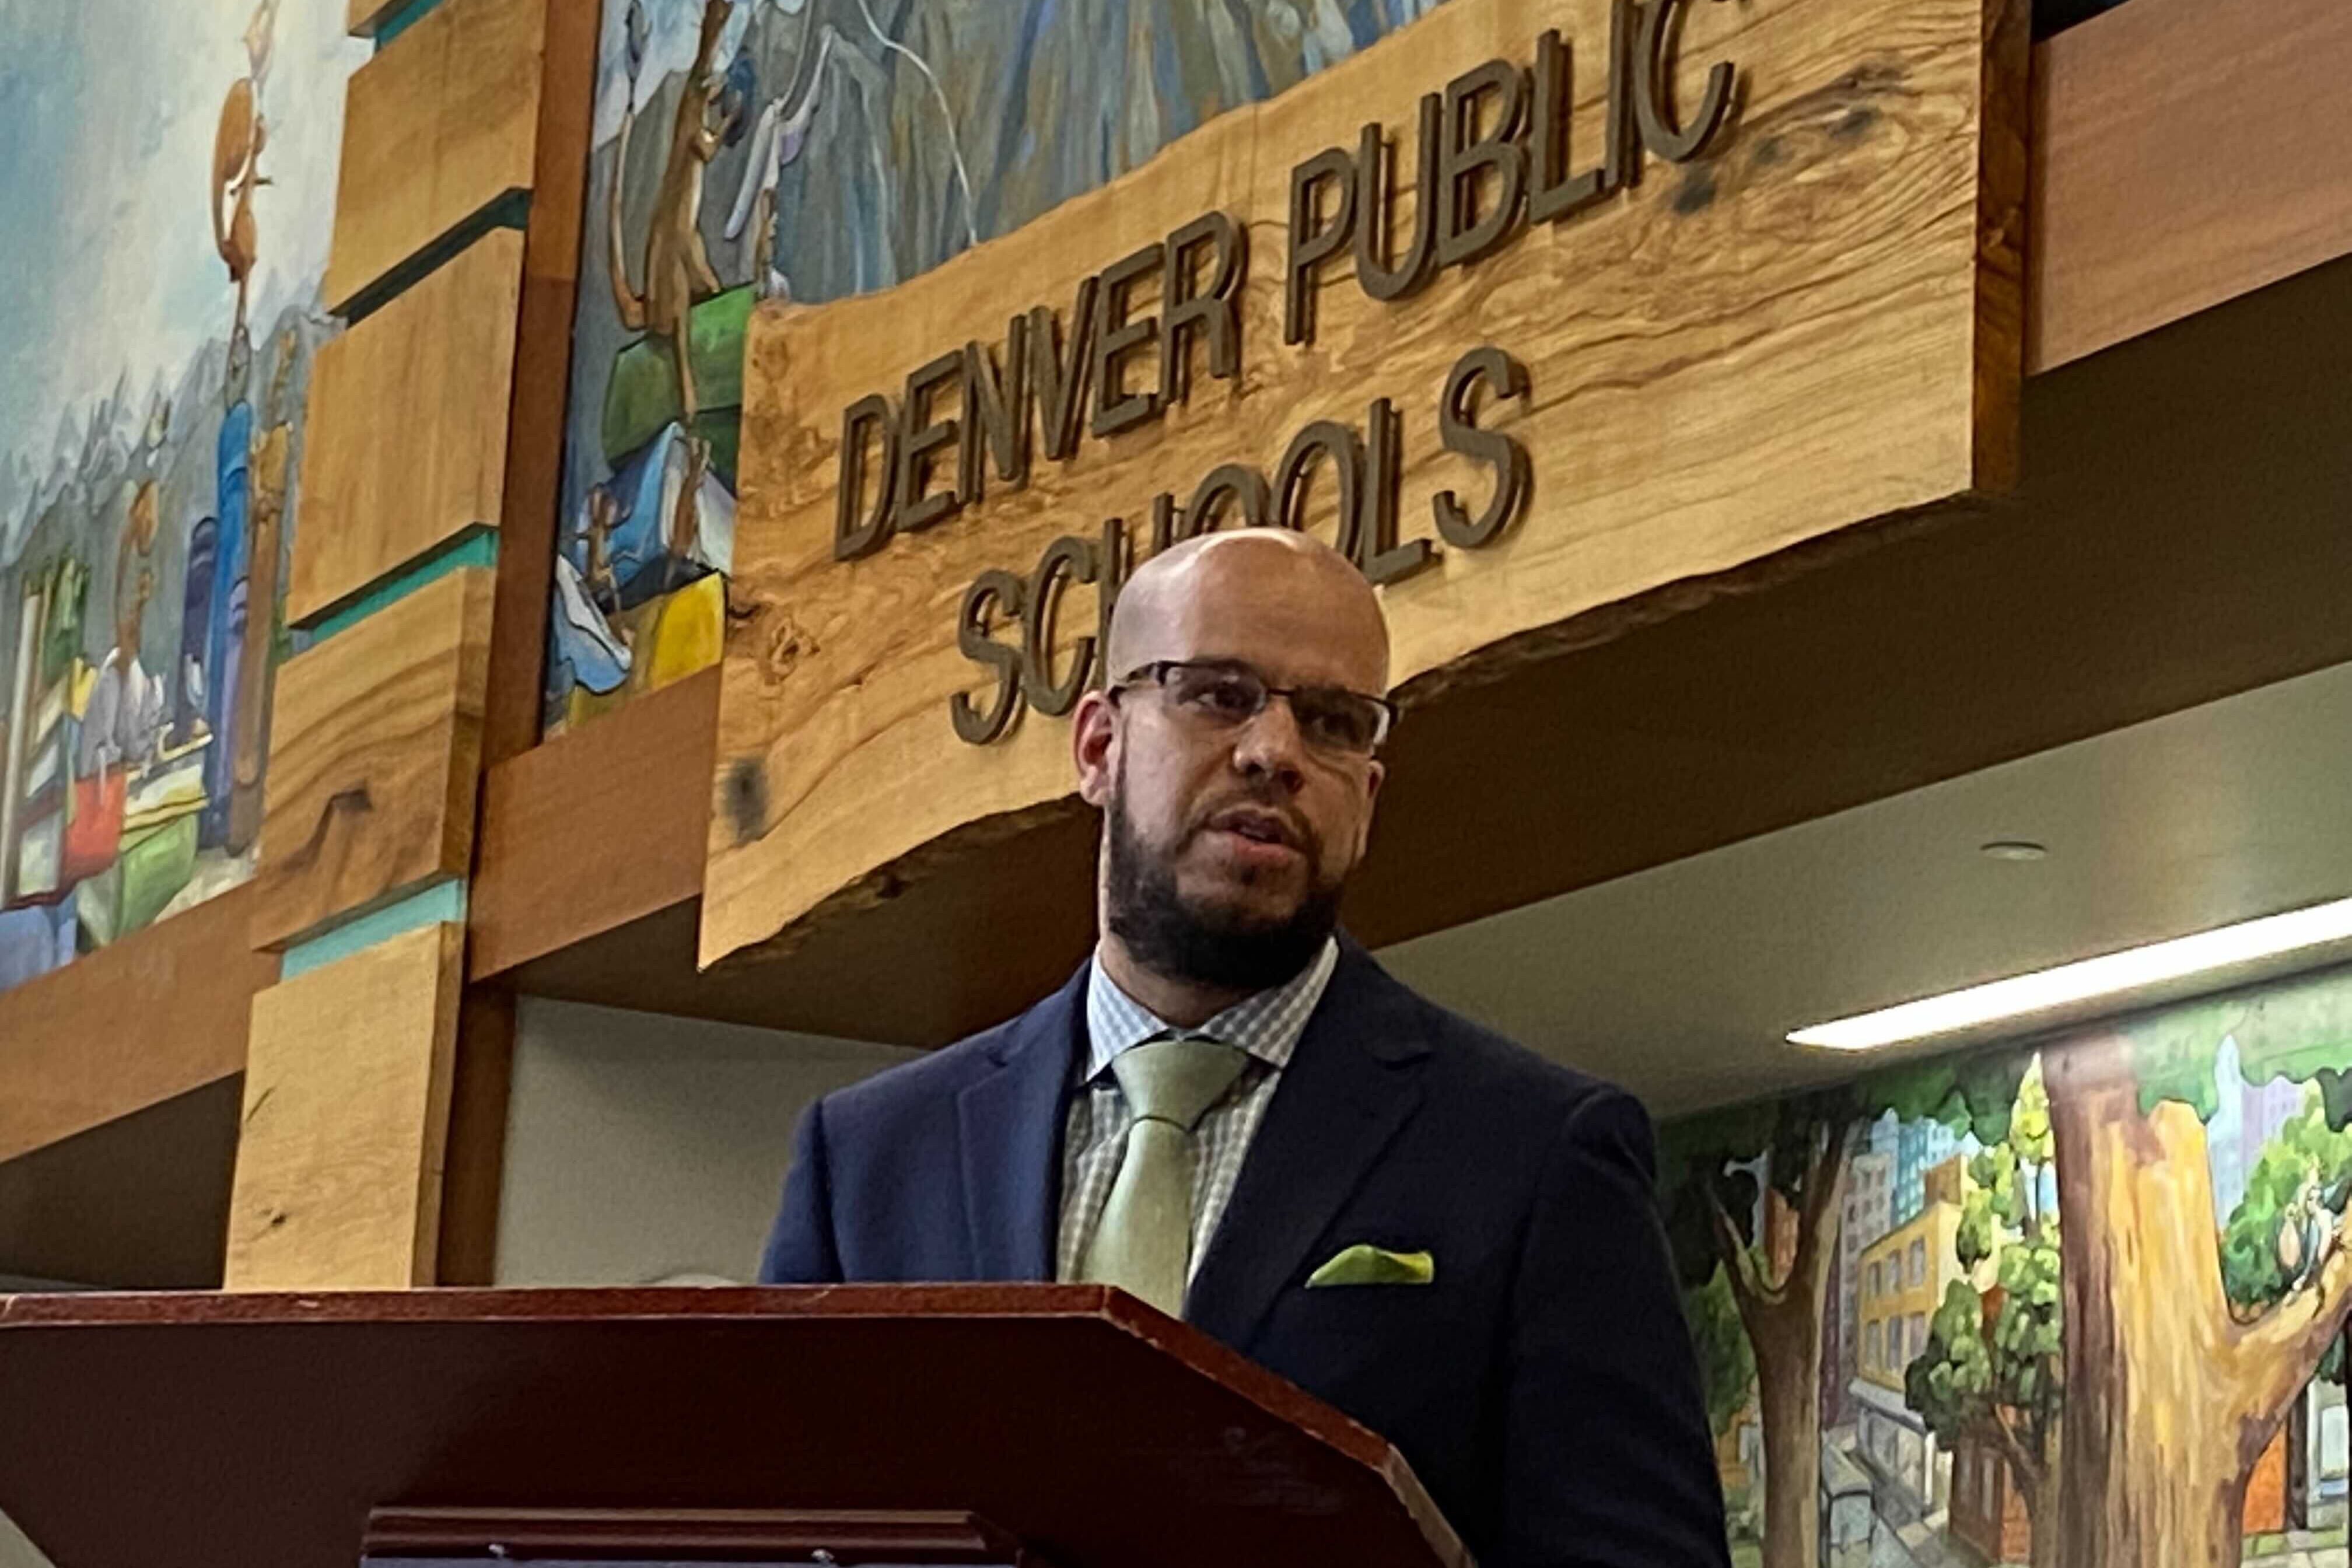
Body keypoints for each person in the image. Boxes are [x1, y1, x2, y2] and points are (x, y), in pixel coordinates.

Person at [761, 528, 1730, 1567]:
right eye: (1217, 695)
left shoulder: (1534, 1154)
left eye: (1332, 722)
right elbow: (751, 1530)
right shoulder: (869, 1159)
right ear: (1098, 746)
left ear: (1367, 794)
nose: (1275, 752)